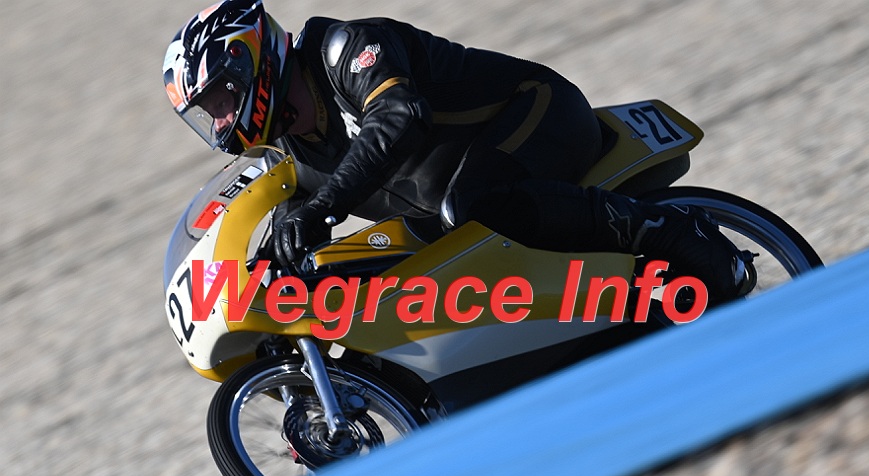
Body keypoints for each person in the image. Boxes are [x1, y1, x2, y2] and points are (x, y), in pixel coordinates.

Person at [163, 0, 749, 304]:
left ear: (248, 62)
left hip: (540, 111)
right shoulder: (292, 150)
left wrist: (327, 206)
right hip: (459, 193)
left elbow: (400, 116)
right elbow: (297, 220)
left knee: (471, 203)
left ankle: (664, 231)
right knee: (387, 258)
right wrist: (270, 275)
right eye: (208, 114)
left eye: (220, 101)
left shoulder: (344, 48)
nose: (220, 121)